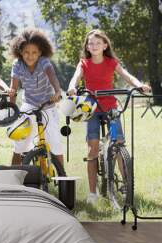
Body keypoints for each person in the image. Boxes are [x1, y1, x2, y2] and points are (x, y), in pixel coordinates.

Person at [67, 29, 151, 204]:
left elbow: (128, 77)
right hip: (91, 109)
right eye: (91, 43)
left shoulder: (112, 62)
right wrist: (72, 87)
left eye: (98, 43)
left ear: (105, 45)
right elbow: (75, 78)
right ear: (87, 47)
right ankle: (92, 193)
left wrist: (139, 85)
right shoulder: (84, 63)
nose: (94, 46)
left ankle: (127, 187)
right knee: (92, 150)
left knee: (119, 145)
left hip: (110, 108)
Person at [8, 28, 64, 166]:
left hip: (47, 104)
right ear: (20, 52)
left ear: (40, 52)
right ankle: (13, 177)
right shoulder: (17, 64)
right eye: (26, 52)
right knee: (20, 143)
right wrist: (12, 109)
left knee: (55, 144)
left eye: (34, 52)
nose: (30, 56)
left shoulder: (44, 62)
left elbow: (52, 76)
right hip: (29, 105)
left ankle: (62, 180)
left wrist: (57, 91)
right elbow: (13, 89)